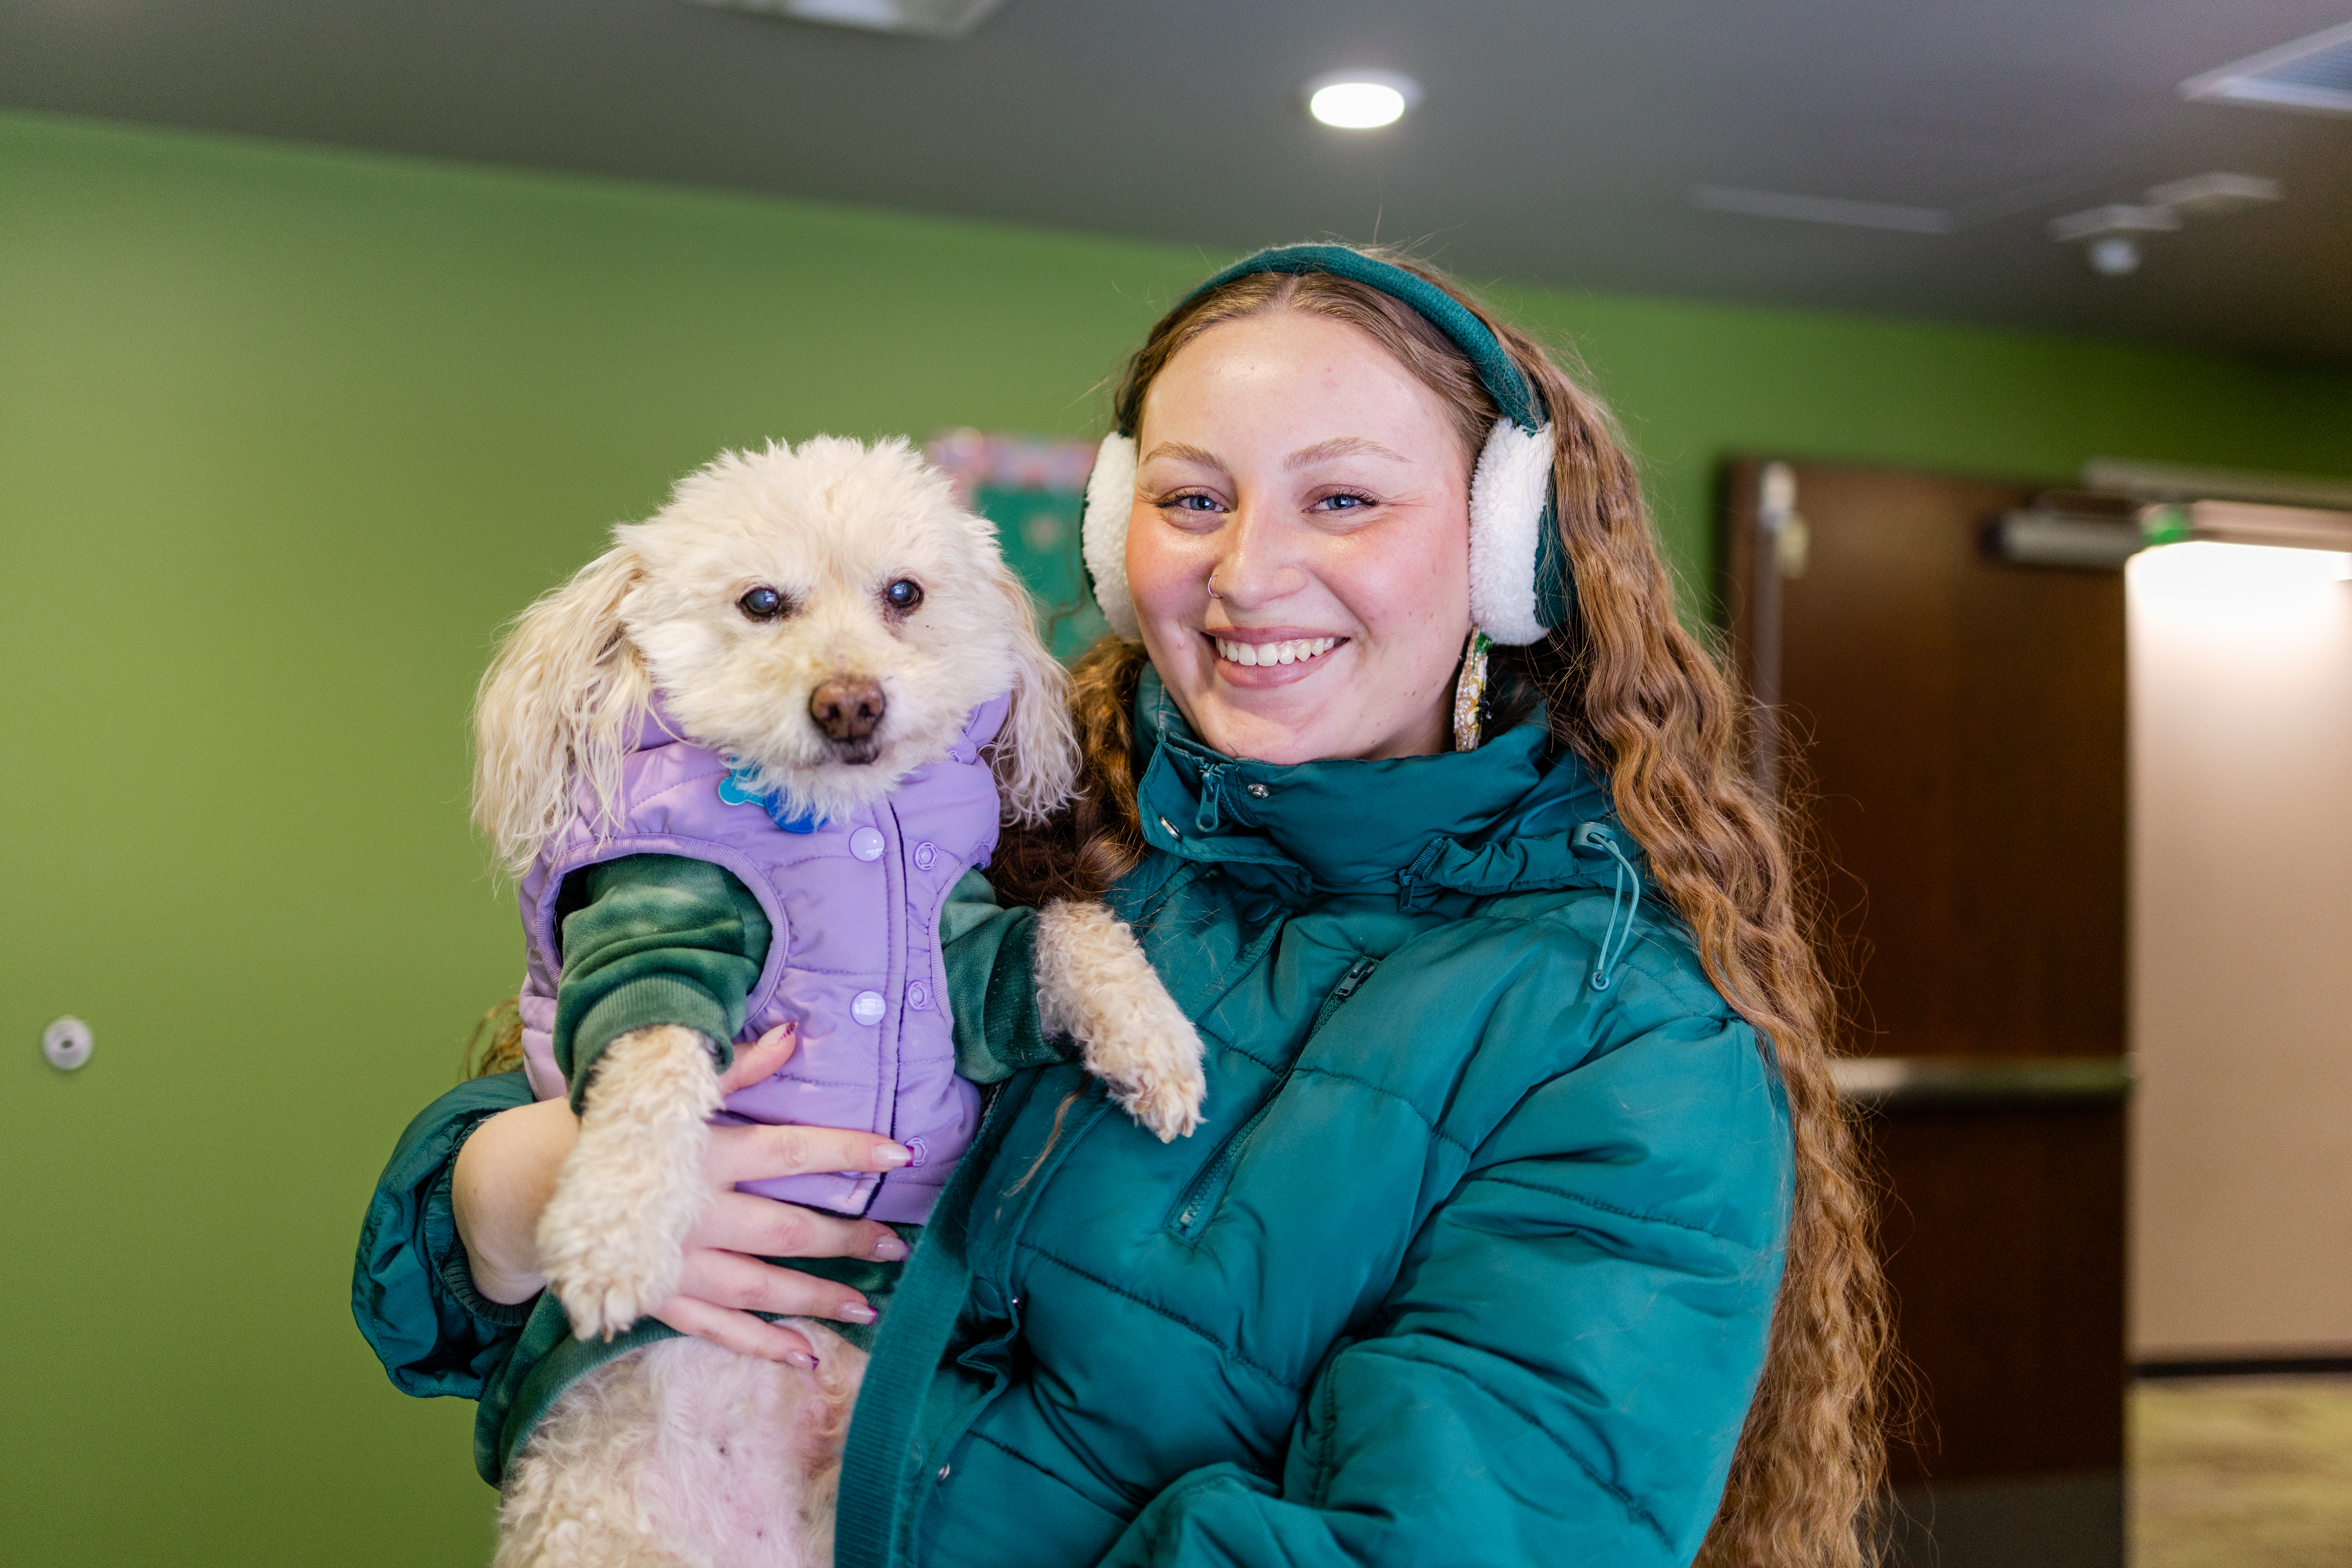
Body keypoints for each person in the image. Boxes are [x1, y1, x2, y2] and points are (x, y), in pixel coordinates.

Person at [356, 243, 1887, 1568]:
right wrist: (504, 1193)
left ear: (1505, 549)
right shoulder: (1009, 808)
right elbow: (453, 1260)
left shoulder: (1618, 1036)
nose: (1247, 573)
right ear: (1110, 532)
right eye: (1192, 498)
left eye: (1343, 497)